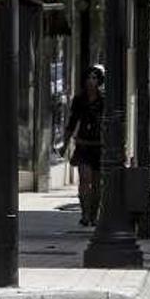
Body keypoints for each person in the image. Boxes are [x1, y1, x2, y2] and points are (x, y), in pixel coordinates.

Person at [63, 65, 105, 227]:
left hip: (99, 146)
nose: (91, 81)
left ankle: (95, 214)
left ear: (99, 80)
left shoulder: (104, 100)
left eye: (94, 78)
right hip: (83, 145)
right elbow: (72, 122)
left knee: (97, 183)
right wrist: (65, 144)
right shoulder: (79, 100)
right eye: (88, 77)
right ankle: (85, 213)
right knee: (84, 179)